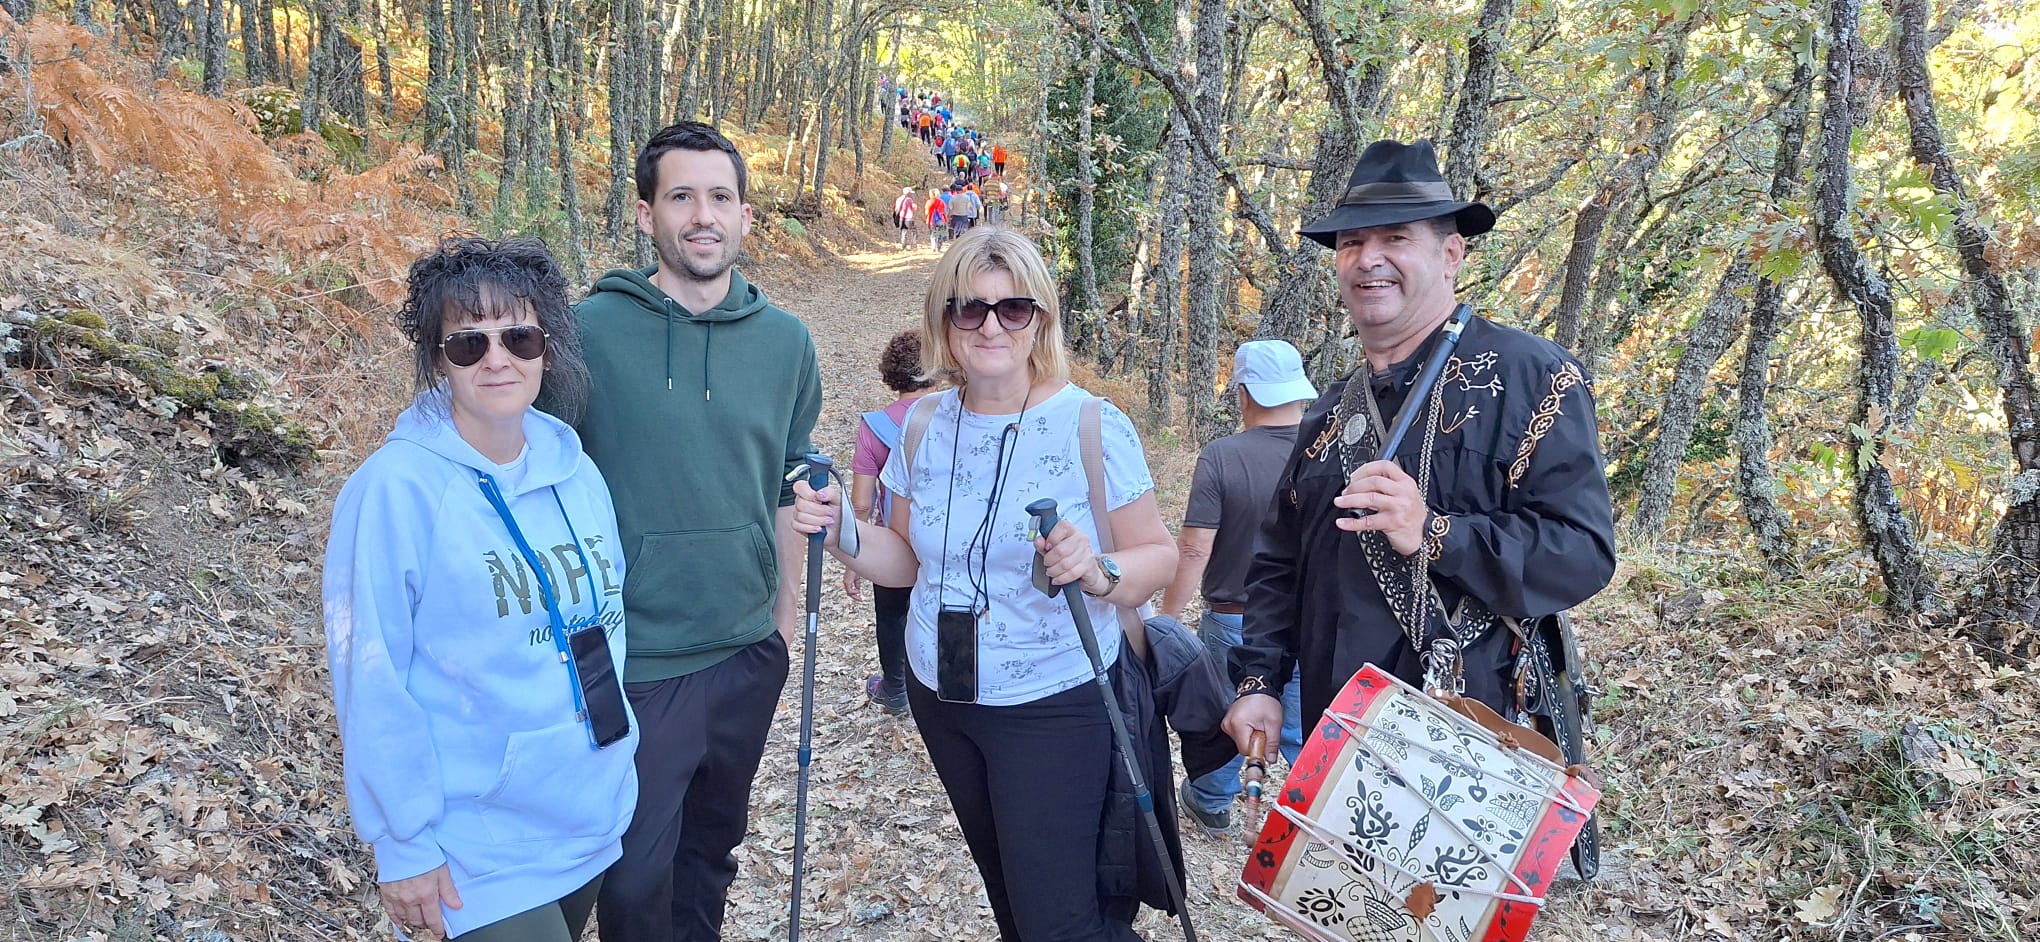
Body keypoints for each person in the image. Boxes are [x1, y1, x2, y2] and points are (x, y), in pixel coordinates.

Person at [791, 227, 1179, 941]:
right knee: (1009, 897)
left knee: (1058, 918)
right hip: (945, 696)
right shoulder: (924, 426)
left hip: (1052, 703)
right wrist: (844, 530)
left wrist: (1099, 570)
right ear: (945, 321)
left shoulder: (1091, 425)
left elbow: (1158, 553)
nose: (992, 325)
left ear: (1041, 320)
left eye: (1014, 309)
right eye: (971, 309)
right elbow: (906, 560)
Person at [1222, 139, 1617, 768]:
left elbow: (1583, 553)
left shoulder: (1533, 378)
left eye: (1395, 238)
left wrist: (1435, 533)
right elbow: (1279, 562)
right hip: (1335, 742)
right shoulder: (1328, 412)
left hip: (1474, 747)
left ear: (1451, 253)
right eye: (1351, 243)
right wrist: (1261, 683)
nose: (1367, 259)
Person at [324, 237, 638, 941]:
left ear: (548, 348)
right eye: (468, 343)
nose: (498, 359)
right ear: (439, 359)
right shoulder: (394, 492)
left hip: (587, 816)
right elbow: (370, 676)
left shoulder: (577, 472)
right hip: (477, 848)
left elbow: (607, 630)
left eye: (519, 337)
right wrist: (401, 842)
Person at [570, 121, 822, 942]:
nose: (703, 216)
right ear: (647, 215)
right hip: (635, 658)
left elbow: (789, 482)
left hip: (745, 653)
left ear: (747, 217)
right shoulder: (586, 335)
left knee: (711, 853)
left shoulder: (786, 343)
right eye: (681, 197)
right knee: (635, 874)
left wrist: (779, 629)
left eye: (720, 198)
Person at [1159, 339, 1314, 835]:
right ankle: (1318, 816)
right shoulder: (1329, 453)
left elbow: (1195, 547)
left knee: (1230, 712)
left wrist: (1167, 616)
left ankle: (1210, 801)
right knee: (1304, 727)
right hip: (1310, 619)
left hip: (1234, 616)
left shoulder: (1223, 457)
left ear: (1244, 392)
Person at [846, 328, 940, 715]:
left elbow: (862, 501)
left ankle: (896, 688)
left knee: (891, 612)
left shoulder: (874, 426)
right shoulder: (951, 417)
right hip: (942, 538)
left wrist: (855, 556)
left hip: (894, 542)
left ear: (891, 374)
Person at [926, 186, 949, 251]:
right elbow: (944, 212)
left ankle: (933, 247)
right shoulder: (941, 202)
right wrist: (946, 219)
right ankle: (938, 247)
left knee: (933, 233)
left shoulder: (929, 202)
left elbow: (926, 212)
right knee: (940, 233)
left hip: (931, 220)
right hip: (940, 220)